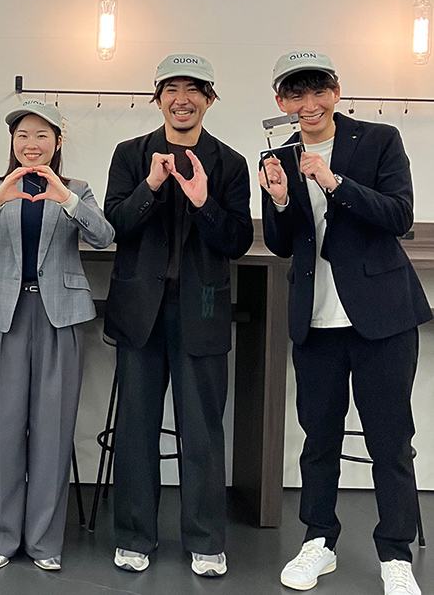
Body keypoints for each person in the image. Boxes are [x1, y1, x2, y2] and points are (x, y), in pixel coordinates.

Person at [259, 51, 430, 595]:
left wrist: (334, 182)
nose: (308, 104)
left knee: (390, 441)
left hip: (382, 318)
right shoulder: (278, 156)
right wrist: (279, 201)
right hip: (315, 321)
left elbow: (398, 216)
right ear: (281, 101)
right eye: (296, 95)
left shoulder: (378, 140)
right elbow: (283, 244)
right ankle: (319, 542)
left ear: (336, 92)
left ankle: (395, 553)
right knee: (318, 440)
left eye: (318, 91)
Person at [104, 54, 252, 578]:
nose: (181, 99)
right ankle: (134, 536)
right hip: (139, 312)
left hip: (201, 311)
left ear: (209, 100)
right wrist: (149, 187)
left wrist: (204, 202)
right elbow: (115, 225)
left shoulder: (230, 163)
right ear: (158, 97)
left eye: (193, 90)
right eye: (171, 89)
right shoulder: (130, 154)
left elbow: (237, 240)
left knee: (203, 430)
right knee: (135, 428)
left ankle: (206, 540)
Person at [0, 100, 114, 571]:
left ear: (57, 142)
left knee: (53, 430)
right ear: (12, 141)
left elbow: (104, 236)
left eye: (42, 135)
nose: (31, 144)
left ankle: (45, 542)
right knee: (1, 430)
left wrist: (65, 199)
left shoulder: (76, 189)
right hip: (4, 314)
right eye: (23, 135)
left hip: (59, 315)